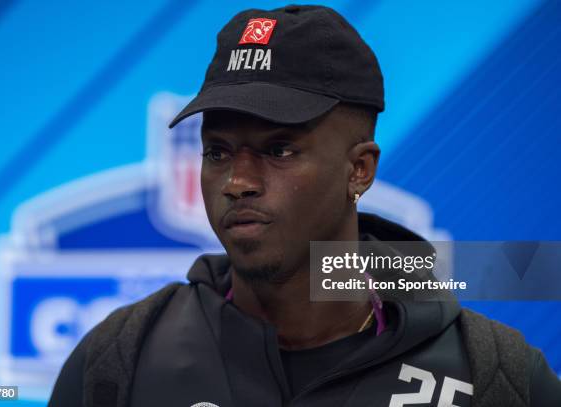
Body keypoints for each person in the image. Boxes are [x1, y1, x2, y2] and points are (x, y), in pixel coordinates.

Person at [49, 5, 561, 406]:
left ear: (359, 169)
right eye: (218, 152)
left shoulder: (497, 378)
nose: (238, 181)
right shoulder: (119, 359)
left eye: (279, 150)